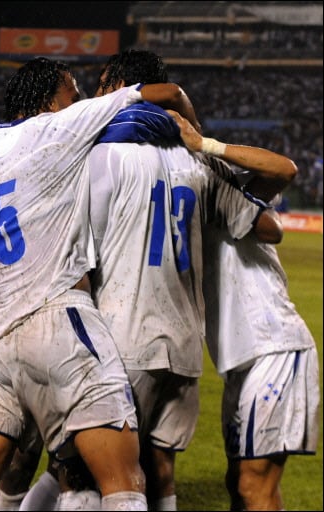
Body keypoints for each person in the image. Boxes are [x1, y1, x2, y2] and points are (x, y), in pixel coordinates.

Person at [17, 50, 295, 511]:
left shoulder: (98, 157)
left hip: (121, 337)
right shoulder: (198, 161)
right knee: (160, 469)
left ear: (123, 88)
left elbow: (74, 254)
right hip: (183, 348)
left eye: (103, 87)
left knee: (76, 467)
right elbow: (268, 225)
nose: (97, 98)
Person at [0, 56, 200, 512]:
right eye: (73, 93)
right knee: (122, 481)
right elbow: (168, 93)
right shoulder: (62, 128)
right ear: (50, 99)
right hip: (62, 323)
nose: (80, 100)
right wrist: (193, 138)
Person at [172, 112, 320, 511]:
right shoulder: (177, 201)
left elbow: (285, 169)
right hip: (240, 359)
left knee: (255, 486)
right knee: (239, 485)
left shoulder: (225, 188)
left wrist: (205, 146)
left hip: (274, 347)